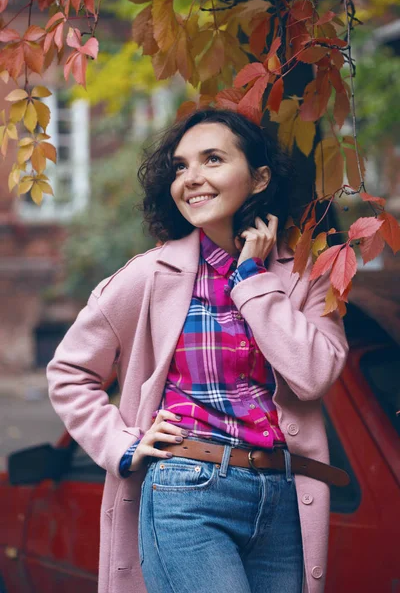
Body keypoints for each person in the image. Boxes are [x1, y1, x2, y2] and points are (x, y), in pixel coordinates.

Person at [47, 108, 349, 593]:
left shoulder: (305, 277)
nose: (191, 178)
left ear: (258, 178)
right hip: (187, 488)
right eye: (181, 166)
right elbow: (68, 372)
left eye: (212, 160)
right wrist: (122, 444)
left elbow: (313, 375)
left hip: (283, 497)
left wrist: (251, 280)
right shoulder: (147, 277)